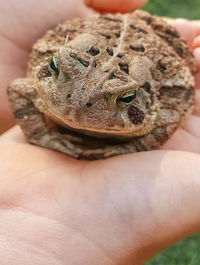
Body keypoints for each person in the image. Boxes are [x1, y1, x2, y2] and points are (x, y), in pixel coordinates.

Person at [0, 0, 200, 264]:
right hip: (85, 43)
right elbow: (19, 89)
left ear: (140, 97)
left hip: (149, 55)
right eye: (57, 70)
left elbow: (172, 111)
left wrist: (129, 147)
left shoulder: (155, 103)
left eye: (124, 97)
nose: (76, 105)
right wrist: (42, 135)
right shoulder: (51, 80)